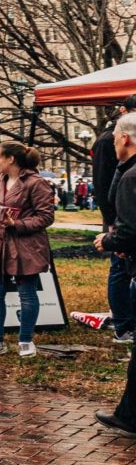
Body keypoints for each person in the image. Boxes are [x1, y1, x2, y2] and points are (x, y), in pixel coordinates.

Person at [0, 142, 56, 359]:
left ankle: (26, 340)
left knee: (27, 295)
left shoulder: (36, 183)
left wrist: (15, 224)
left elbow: (46, 217)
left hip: (26, 246)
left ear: (11, 159)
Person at [95, 114, 136, 435]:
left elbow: (129, 232)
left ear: (125, 139)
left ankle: (130, 416)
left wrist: (108, 240)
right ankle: (129, 413)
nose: (111, 144)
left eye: (113, 139)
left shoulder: (130, 177)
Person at [93, 97, 136, 344]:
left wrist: (114, 238)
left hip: (123, 229)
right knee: (120, 273)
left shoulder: (130, 175)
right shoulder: (105, 143)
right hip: (117, 221)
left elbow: (130, 230)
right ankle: (122, 324)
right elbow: (102, 186)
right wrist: (111, 226)